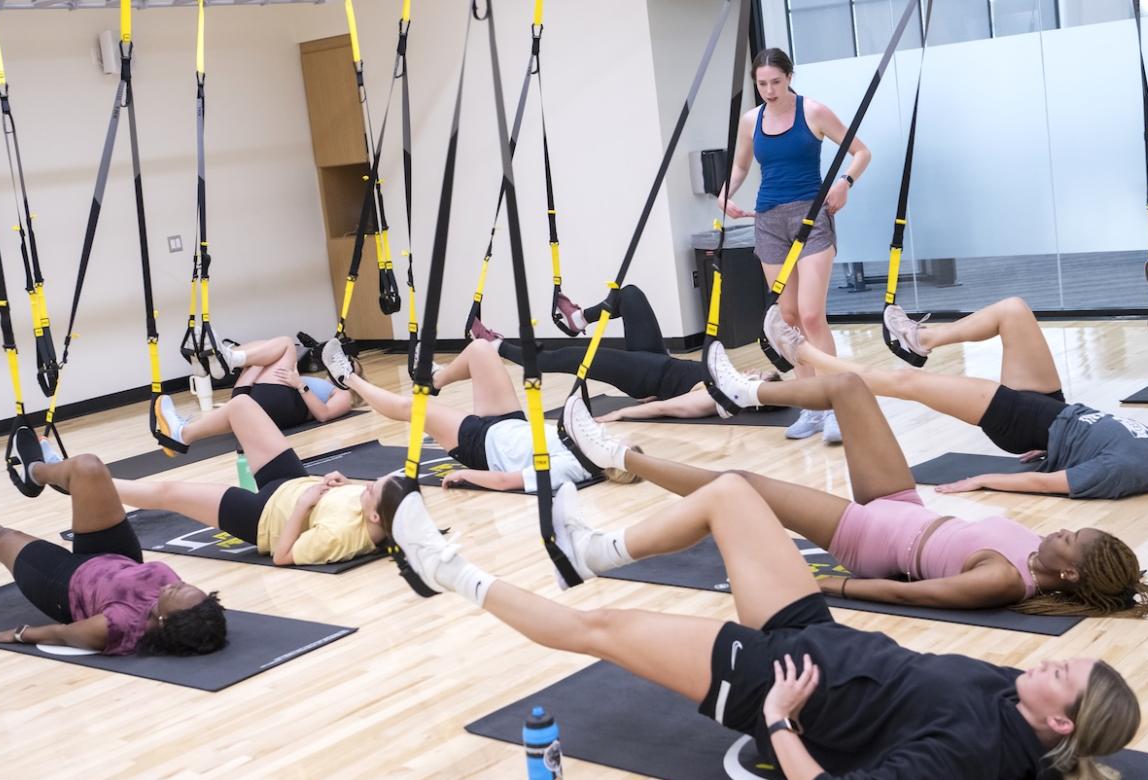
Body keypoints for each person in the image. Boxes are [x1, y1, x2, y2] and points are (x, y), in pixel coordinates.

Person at [375, 474, 1143, 780]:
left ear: (1060, 722)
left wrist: (777, 720)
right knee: (733, 493)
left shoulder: (970, 753)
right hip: (817, 636)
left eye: (1063, 674)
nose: (1051, 659)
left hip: (777, 682)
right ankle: (594, 552)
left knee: (596, 629)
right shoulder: (1013, 703)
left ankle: (444, 568)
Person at [560, 366, 1148, 616]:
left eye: (1071, 539)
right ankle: (743, 393)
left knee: (740, 486)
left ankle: (619, 457)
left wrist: (829, 586)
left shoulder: (1006, 581)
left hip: (870, 540)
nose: (1062, 529)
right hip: (903, 505)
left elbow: (913, 593)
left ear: (1069, 574)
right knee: (849, 387)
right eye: (1073, 529)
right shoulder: (1039, 555)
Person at [768, 296, 1148, 501]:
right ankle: (923, 339)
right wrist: (1057, 452)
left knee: (904, 384)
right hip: (1052, 410)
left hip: (1023, 422)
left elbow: (1048, 486)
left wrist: (982, 480)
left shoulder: (1127, 474)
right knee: (1013, 311)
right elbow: (1084, 450)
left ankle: (801, 352)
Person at [0, 430, 226, 656]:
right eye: (188, 587)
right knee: (88, 467)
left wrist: (23, 634)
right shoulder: (171, 590)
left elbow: (63, 634)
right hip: (116, 556)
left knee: (0, 539)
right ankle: (34, 472)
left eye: (178, 592)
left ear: (164, 620)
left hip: (63, 584)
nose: (178, 584)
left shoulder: (118, 625)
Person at [717, 47, 871, 444]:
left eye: (776, 82)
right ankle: (812, 407)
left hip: (811, 216)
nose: (769, 90)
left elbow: (861, 152)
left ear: (789, 78)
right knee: (788, 318)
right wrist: (726, 192)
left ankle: (837, 406)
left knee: (812, 316)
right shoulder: (751, 121)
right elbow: (741, 165)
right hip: (768, 221)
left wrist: (845, 183)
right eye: (762, 84)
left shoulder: (813, 112)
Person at [137, 392, 387, 566]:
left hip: (263, 517)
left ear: (375, 516)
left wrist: (303, 505)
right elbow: (377, 499)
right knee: (241, 405)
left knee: (168, 492)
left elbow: (282, 556)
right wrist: (349, 485)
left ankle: (110, 492)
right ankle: (181, 434)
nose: (369, 485)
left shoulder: (341, 537)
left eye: (372, 489)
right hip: (292, 481)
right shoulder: (387, 504)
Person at [320, 337, 599, 492]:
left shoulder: (571, 468)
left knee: (413, 408)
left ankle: (347, 378)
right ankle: (435, 380)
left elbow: (506, 481)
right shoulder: (594, 442)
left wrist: (466, 475)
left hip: (481, 447)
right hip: (510, 423)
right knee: (480, 349)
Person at [464, 284, 778, 422]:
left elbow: (674, 408)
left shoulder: (721, 397)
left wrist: (621, 413)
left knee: (571, 357)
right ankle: (578, 319)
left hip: (646, 378)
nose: (753, 371)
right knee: (630, 295)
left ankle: (497, 346)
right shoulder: (729, 378)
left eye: (758, 377)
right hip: (658, 360)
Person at [155, 335, 357, 449]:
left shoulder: (345, 394)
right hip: (265, 397)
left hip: (285, 406)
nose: (342, 365)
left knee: (287, 345)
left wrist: (300, 386)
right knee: (264, 350)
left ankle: (228, 360)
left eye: (349, 366)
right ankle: (182, 434)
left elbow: (324, 415)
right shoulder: (322, 381)